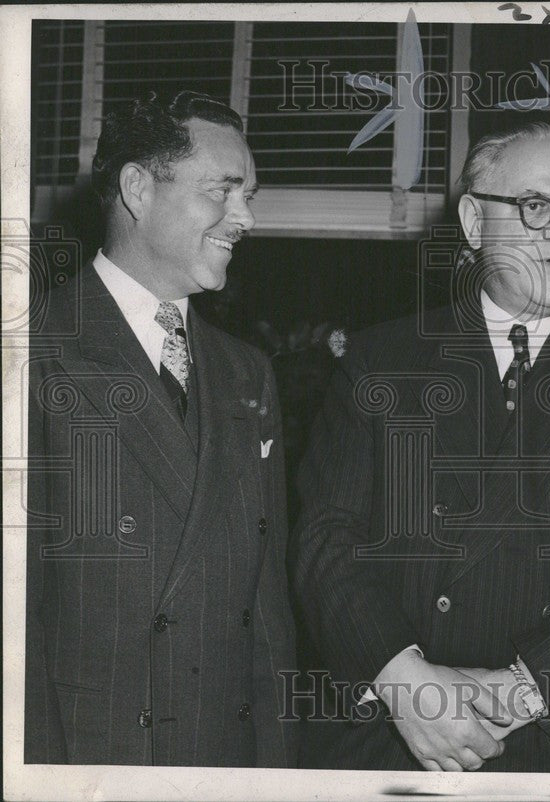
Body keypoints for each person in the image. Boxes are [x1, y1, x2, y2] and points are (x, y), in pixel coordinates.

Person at [292, 123, 550, 772]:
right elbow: (325, 539)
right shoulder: (379, 361)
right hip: (394, 740)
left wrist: (526, 688)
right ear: (475, 223)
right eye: (536, 207)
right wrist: (404, 682)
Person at [25, 91, 298, 767]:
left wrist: (278, 771)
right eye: (224, 191)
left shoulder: (248, 374)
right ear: (138, 188)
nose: (246, 218)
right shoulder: (28, 349)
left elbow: (266, 613)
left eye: (250, 195)